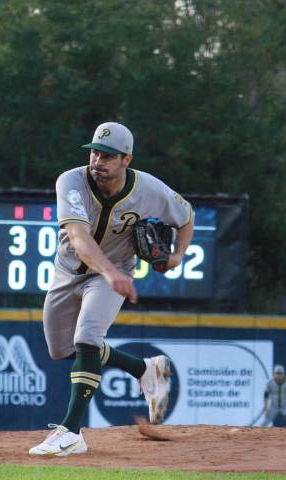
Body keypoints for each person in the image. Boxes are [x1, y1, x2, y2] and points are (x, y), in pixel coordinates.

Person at [29, 122, 195, 457]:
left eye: (107, 155)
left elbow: (186, 216)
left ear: (126, 159)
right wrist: (109, 272)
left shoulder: (149, 190)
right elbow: (78, 237)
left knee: (87, 339)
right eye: (94, 152)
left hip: (114, 272)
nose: (97, 160)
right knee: (61, 350)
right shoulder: (71, 181)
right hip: (68, 271)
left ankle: (71, 433)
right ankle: (145, 369)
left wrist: (177, 256)